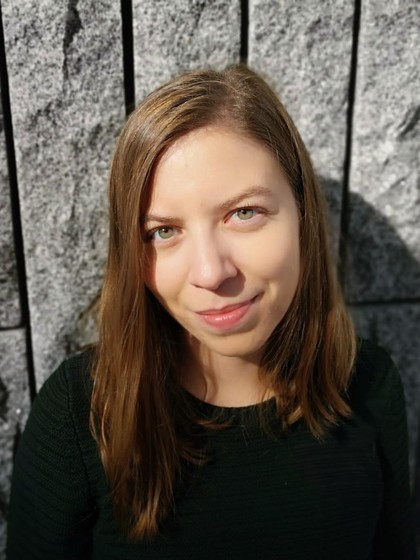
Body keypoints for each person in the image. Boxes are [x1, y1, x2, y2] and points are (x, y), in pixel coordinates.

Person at [6, 65, 416, 559]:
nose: (210, 273)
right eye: (163, 231)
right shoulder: (80, 415)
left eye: (244, 213)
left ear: (303, 216)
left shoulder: (370, 384)